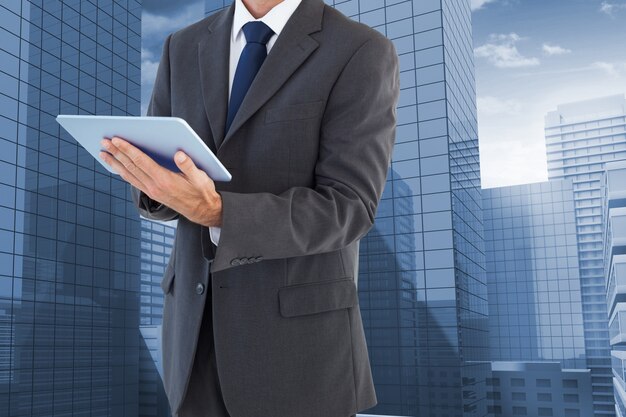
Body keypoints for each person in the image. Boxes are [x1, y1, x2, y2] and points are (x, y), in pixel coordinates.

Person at [99, 0, 399, 415]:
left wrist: (219, 214)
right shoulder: (180, 47)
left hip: (297, 353)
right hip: (191, 340)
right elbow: (162, 184)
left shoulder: (359, 49)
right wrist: (149, 183)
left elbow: (350, 207)